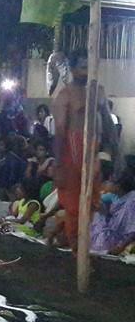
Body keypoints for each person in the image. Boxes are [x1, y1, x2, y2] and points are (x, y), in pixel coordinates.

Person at [52, 52, 99, 252]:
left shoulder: (97, 92)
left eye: (89, 67)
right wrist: (58, 164)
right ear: (72, 69)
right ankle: (76, 251)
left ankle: (82, 245)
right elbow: (60, 132)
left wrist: (115, 153)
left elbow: (108, 124)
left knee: (94, 200)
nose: (86, 71)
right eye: (82, 67)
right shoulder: (65, 95)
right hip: (73, 150)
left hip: (94, 149)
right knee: (73, 204)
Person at [91, 171, 135, 255]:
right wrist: (105, 213)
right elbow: (115, 220)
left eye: (110, 182)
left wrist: (120, 247)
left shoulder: (131, 202)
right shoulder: (118, 197)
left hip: (117, 240)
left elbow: (132, 229)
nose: (107, 183)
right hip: (112, 235)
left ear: (117, 187)